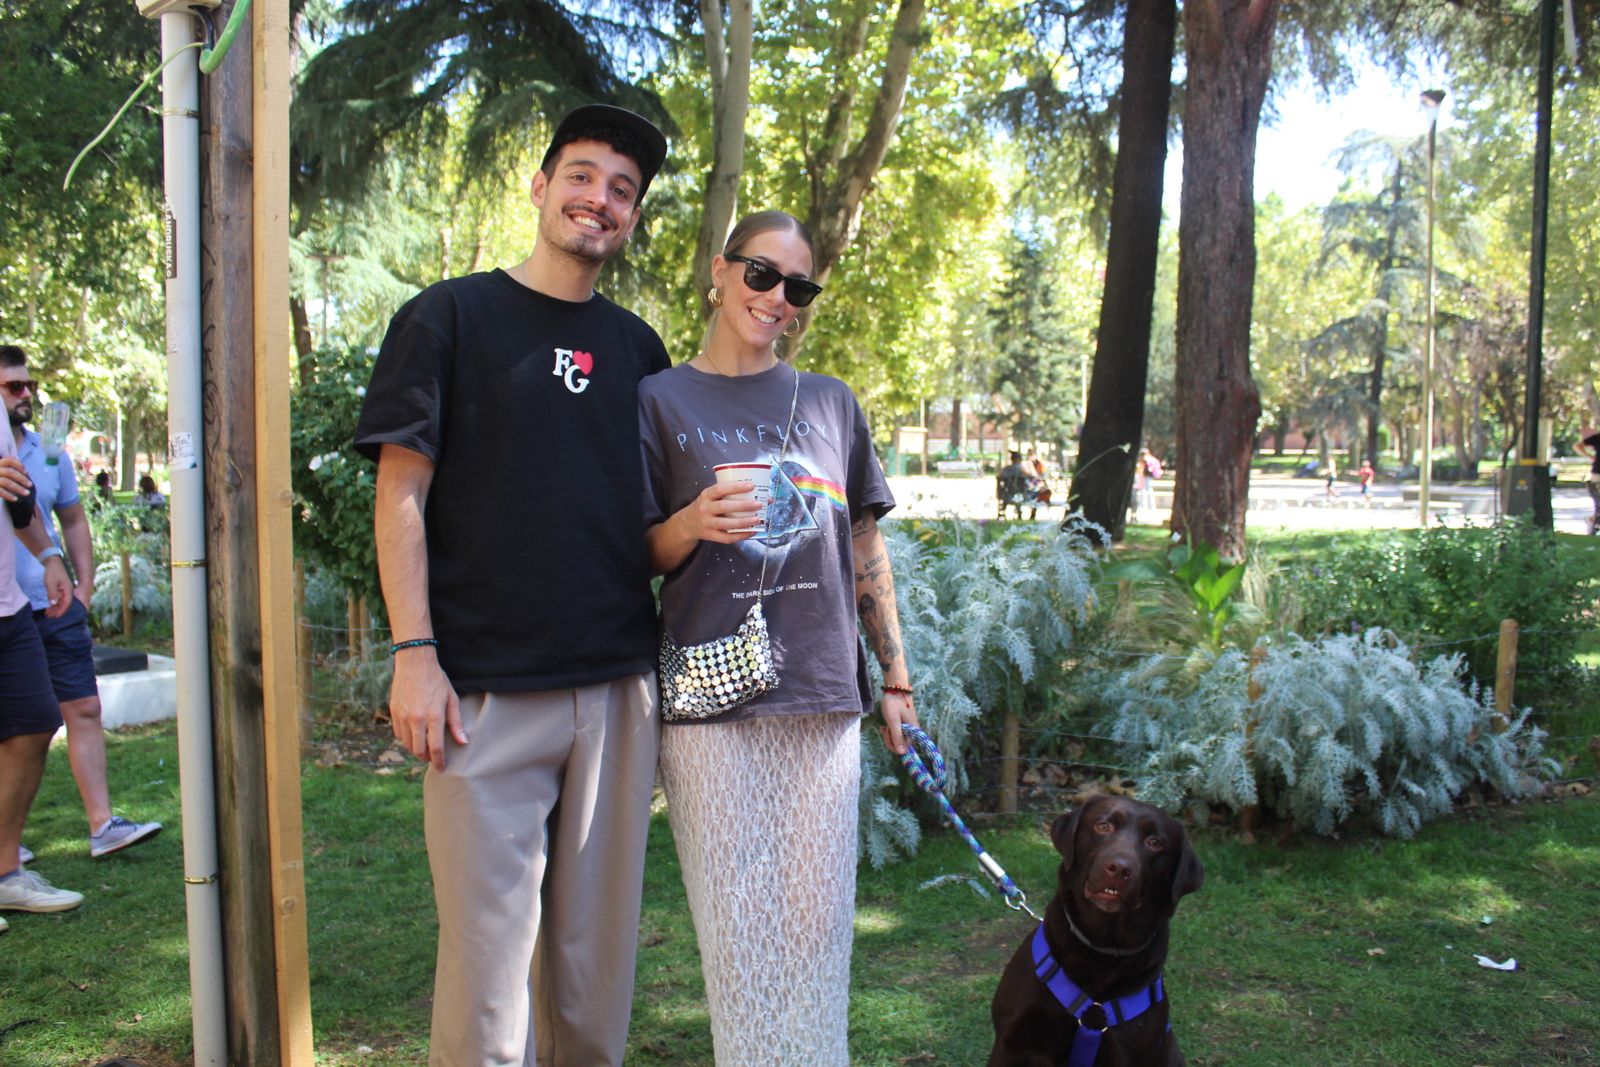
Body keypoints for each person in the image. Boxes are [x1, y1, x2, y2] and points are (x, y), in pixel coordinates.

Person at [354, 103, 670, 1067]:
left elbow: (650, 526)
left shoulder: (640, 351)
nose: (599, 199)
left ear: (633, 215)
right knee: (489, 996)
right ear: (539, 187)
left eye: (622, 189)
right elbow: (400, 495)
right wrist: (415, 655)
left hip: (616, 692)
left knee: (592, 985)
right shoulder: (448, 318)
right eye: (581, 176)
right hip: (483, 697)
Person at [638, 210, 919, 1066]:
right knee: (741, 951)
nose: (777, 298)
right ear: (720, 272)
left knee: (817, 943)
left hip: (821, 695)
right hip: (712, 704)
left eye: (799, 286)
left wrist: (896, 680)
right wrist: (691, 521)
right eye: (762, 274)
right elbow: (637, 550)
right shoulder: (659, 399)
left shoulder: (831, 401)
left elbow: (864, 545)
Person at [2, 347, 162, 858]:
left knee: (84, 707)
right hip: (6, 611)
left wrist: (84, 588)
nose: (26, 394)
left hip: (54, 604)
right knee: (17, 726)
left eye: (29, 385)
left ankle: (103, 825)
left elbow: (70, 518)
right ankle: (7, 847)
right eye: (13, 386)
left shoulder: (49, 451)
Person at [0, 413, 83, 931]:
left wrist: (49, 554)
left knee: (35, 722)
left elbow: (14, 495)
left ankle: (5, 873)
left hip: (8, 606)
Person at [998, 449, 1033, 520]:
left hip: (1007, 494)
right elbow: (1032, 477)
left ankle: (1003, 512)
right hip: (1021, 495)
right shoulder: (1022, 469)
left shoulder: (1005, 469)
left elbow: (999, 478)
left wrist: (999, 493)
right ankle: (1031, 515)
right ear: (1019, 459)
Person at [1580, 429, 1600, 535]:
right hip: (1598, 474)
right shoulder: (1597, 438)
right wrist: (1589, 456)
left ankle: (1592, 520)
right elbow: (1577, 446)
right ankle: (1592, 521)